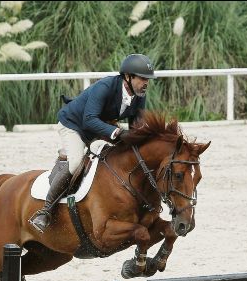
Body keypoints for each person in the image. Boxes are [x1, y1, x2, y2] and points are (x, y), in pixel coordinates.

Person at [28, 53, 156, 233]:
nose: (146, 83)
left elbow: (137, 126)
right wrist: (117, 132)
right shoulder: (105, 86)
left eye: (148, 79)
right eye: (143, 78)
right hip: (74, 125)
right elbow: (89, 119)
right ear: (128, 77)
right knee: (75, 162)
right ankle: (45, 211)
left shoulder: (139, 95)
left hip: (98, 128)